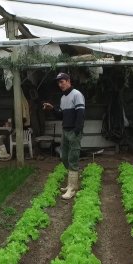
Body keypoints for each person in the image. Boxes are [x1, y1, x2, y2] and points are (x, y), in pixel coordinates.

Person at [43, 72, 85, 200]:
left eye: (62, 81)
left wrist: (77, 131)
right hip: (65, 131)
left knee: (73, 158)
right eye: (58, 82)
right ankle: (72, 183)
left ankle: (72, 188)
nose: (60, 84)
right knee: (64, 157)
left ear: (68, 81)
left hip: (73, 131)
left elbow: (81, 114)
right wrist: (52, 108)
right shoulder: (63, 98)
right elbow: (61, 115)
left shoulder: (77, 94)